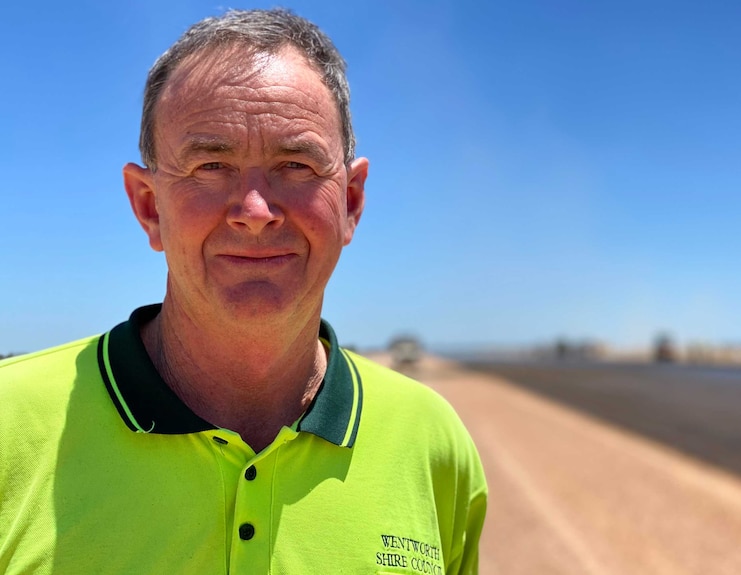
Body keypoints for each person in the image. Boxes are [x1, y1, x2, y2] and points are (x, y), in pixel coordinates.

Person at [0, 8, 486, 574]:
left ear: (351, 201)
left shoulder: (432, 444)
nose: (255, 212)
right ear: (149, 206)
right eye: (211, 165)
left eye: (296, 164)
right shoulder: (11, 425)